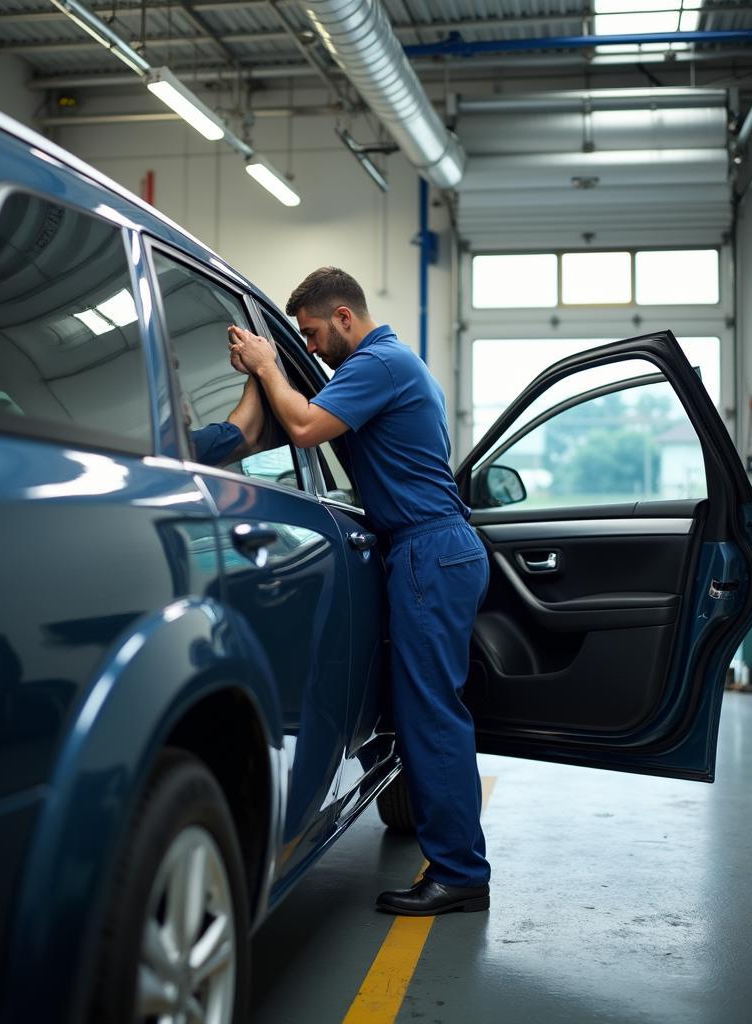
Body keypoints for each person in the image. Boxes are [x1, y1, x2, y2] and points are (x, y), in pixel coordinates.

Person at [227, 267, 490, 917]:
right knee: (428, 712)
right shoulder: (384, 364)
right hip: (426, 550)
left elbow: (308, 427)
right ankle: (458, 864)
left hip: (429, 551)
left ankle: (460, 872)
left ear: (344, 316)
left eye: (312, 334)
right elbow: (295, 426)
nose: (309, 348)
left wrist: (267, 363)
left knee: (432, 715)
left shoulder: (378, 363)